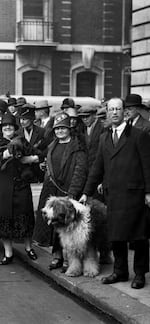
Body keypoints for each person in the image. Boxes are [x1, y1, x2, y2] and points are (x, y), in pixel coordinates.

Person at [80, 97, 150, 289]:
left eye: (118, 109)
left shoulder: (139, 135)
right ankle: (120, 271)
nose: (115, 113)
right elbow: (97, 168)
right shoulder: (104, 138)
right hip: (114, 195)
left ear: (125, 112)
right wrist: (86, 192)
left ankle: (140, 274)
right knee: (116, 235)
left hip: (135, 194)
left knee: (138, 236)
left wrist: (148, 192)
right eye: (111, 110)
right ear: (108, 113)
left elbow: (147, 166)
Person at [33, 112, 88, 270]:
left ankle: (68, 260)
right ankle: (57, 256)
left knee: (68, 228)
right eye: (57, 129)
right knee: (54, 227)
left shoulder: (78, 148)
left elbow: (80, 171)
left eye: (63, 128)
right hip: (51, 191)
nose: (60, 131)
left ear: (70, 129)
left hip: (68, 193)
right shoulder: (52, 146)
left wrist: (72, 193)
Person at [0, 114, 39, 265]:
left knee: (25, 218)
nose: (8, 128)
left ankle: (28, 248)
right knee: (5, 222)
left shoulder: (23, 141)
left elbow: (37, 156)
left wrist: (30, 159)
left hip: (21, 186)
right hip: (2, 190)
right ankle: (8, 253)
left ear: (15, 128)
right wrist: (4, 154)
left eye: (10, 126)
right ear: (1, 129)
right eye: (4, 126)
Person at [17, 103, 46, 183]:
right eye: (21, 119)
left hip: (37, 173)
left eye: (24, 119)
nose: (22, 122)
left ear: (31, 119)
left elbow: (47, 150)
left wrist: (35, 158)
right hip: (21, 173)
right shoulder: (17, 133)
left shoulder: (41, 132)